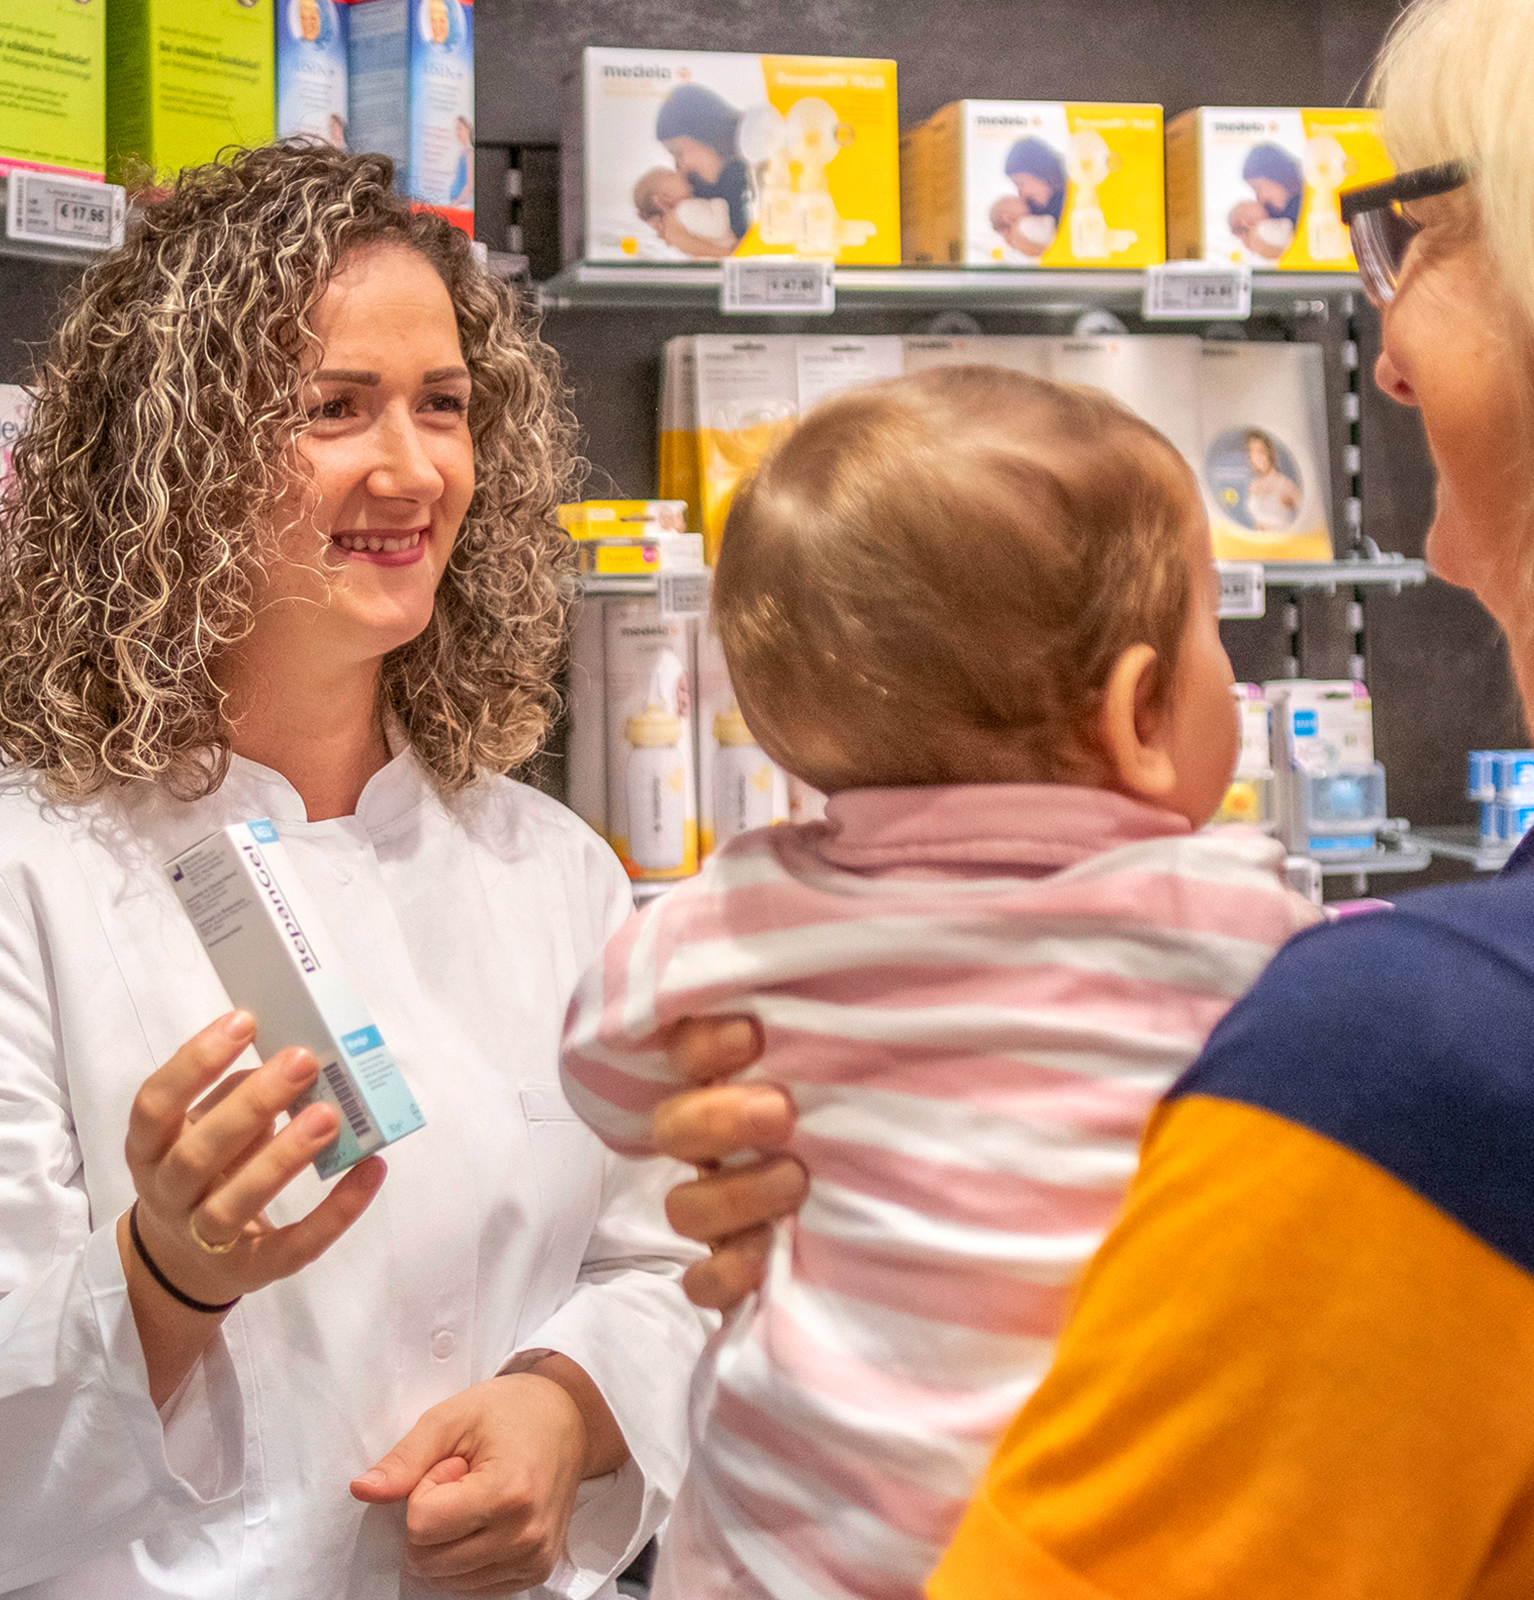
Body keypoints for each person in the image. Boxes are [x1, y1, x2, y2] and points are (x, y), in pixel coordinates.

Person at [646, 0, 1534, 1592]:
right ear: (1138, 715)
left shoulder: (1404, 1055)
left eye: (1419, 235)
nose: (1381, 355)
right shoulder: (1308, 969)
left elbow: (620, 1055)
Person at [0, 144, 708, 1600]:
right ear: (175, 457)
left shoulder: (551, 870)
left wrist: (562, 1415)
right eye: (330, 410)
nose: (410, 470)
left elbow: (658, 1272)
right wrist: (166, 1277)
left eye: (441, 406)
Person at [560, 366, 1320, 1600]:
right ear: (1140, 712)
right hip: (1106, 1523)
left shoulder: (743, 916)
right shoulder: (1229, 915)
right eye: (1211, 630)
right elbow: (1375, 1025)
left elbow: (600, 1062)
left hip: (796, 1542)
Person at [655, 82, 750, 256]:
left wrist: (690, 243)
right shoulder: (703, 191)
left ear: (706, 133)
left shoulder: (765, 173)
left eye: (679, 153)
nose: (680, 168)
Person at [1242, 428, 1302, 530]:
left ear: (1269, 453)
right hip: (1259, 543)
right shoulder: (1253, 485)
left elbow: (1309, 515)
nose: (1257, 458)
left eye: (1261, 451)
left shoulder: (1284, 484)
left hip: (1282, 542)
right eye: (1252, 452)